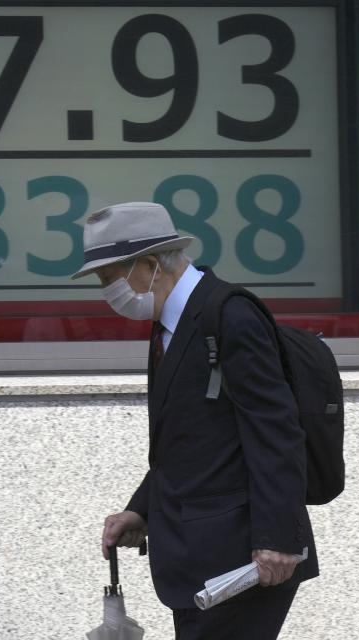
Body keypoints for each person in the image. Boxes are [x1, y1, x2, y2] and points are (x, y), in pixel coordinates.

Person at [72, 202, 318, 639]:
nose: (106, 292)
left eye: (108, 279)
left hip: (247, 560)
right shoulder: (170, 323)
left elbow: (275, 431)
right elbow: (191, 439)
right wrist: (142, 509)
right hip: (199, 558)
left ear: (149, 266)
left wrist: (279, 539)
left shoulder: (229, 315)